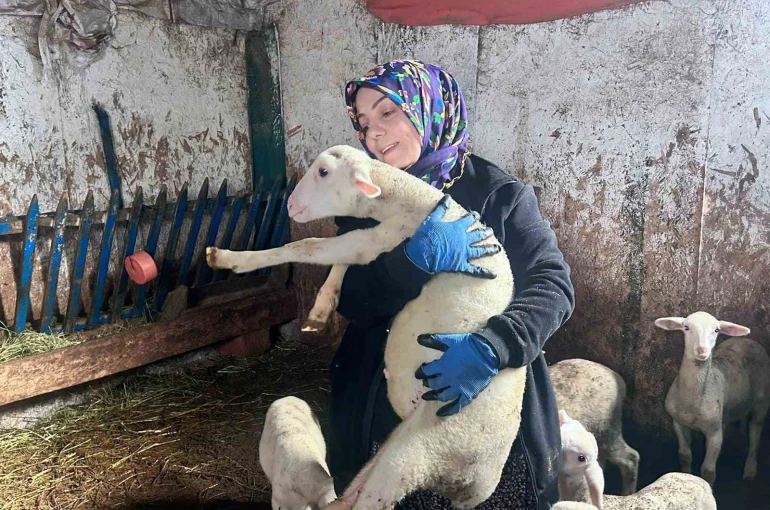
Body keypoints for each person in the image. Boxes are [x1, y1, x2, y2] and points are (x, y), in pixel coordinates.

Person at [326, 60, 575, 510]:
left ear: (429, 109)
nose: (373, 135)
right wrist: (407, 262)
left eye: (387, 113)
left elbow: (553, 284)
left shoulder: (499, 195)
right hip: (386, 398)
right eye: (362, 123)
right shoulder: (362, 198)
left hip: (487, 401)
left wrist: (494, 346)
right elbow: (355, 302)